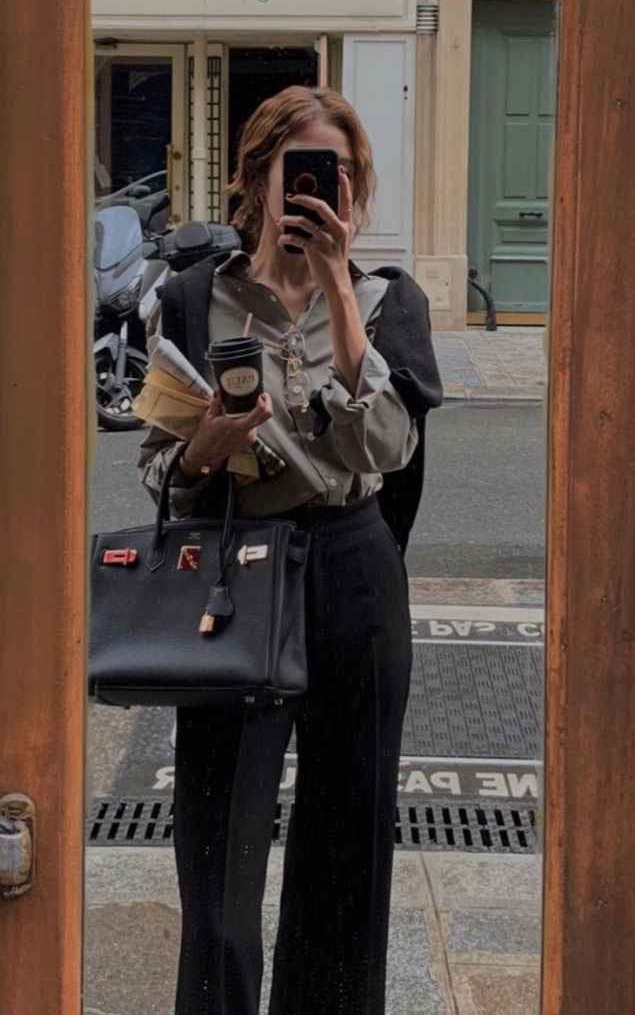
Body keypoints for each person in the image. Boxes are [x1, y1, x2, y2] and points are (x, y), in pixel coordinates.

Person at [138, 86, 442, 1014]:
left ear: (355, 188)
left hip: (352, 568)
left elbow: (387, 450)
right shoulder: (195, 298)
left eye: (336, 173)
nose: (316, 187)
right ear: (258, 176)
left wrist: (341, 290)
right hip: (236, 571)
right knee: (219, 846)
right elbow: (158, 467)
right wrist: (204, 450)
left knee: (348, 845)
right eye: (298, 168)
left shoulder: (389, 300)